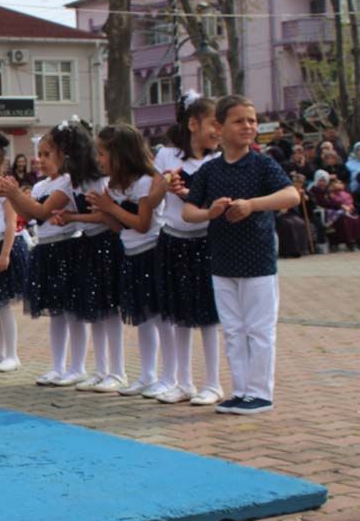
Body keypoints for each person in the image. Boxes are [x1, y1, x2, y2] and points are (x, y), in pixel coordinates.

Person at [183, 95, 300, 415]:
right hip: (222, 259)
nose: (248, 126)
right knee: (233, 329)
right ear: (220, 127)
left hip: (258, 259)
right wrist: (211, 212)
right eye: (239, 121)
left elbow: (290, 194)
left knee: (259, 329)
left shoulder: (261, 163)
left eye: (251, 120)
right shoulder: (210, 170)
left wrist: (251, 205)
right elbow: (189, 212)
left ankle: (261, 392)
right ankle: (241, 389)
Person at [87, 124, 172, 399]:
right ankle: (147, 374)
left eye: (102, 154)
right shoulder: (115, 186)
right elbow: (118, 226)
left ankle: (170, 376)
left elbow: (143, 223)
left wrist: (110, 208)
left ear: (121, 154)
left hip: (152, 253)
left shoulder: (146, 182)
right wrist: (103, 210)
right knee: (143, 318)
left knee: (160, 318)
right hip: (131, 253)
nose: (99, 160)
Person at [149, 93, 224, 405]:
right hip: (173, 240)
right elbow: (151, 200)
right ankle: (183, 381)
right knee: (177, 313)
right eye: (213, 123)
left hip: (206, 241)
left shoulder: (217, 161)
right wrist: (166, 187)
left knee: (207, 315)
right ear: (193, 124)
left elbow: (216, 202)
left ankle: (214, 382)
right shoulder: (167, 156)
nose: (218, 131)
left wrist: (190, 193)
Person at [0, 123, 87, 387]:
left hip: (67, 248)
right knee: (56, 312)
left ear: (65, 155)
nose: (41, 159)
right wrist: (13, 196)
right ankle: (58, 365)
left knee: (73, 312)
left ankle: (77, 366)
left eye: (47, 154)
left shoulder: (68, 182)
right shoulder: (40, 185)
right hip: (47, 248)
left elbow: (43, 211)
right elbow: (28, 215)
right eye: (40, 154)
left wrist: (15, 194)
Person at [43, 128, 124, 395]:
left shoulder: (99, 181)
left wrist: (72, 218)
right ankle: (100, 370)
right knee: (95, 312)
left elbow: (105, 217)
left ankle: (117, 370)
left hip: (108, 244)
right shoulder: (76, 181)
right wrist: (66, 216)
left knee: (110, 311)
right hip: (90, 244)